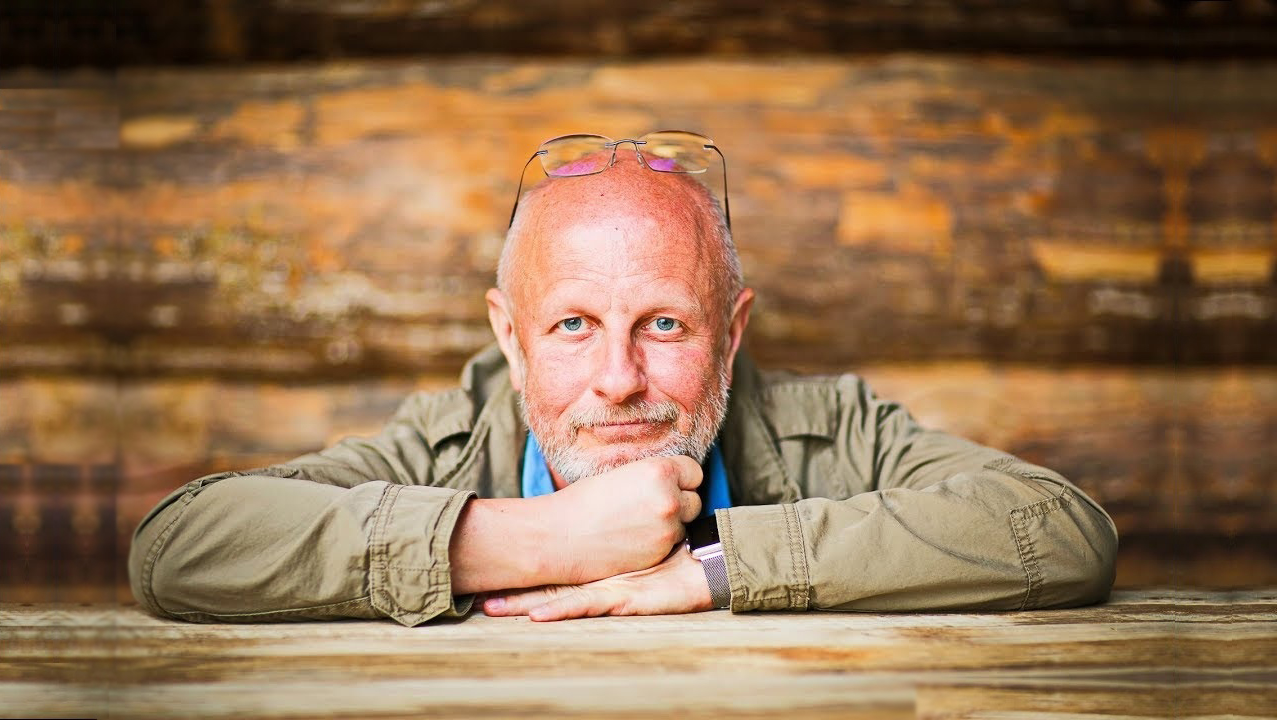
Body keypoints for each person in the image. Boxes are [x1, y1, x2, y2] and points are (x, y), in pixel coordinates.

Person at [128, 133, 1117, 627]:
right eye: (571, 325)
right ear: (510, 339)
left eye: (664, 324)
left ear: (731, 334)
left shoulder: (826, 429)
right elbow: (177, 548)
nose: (619, 379)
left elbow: (1063, 531)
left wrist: (717, 568)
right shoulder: (446, 438)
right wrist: (538, 539)